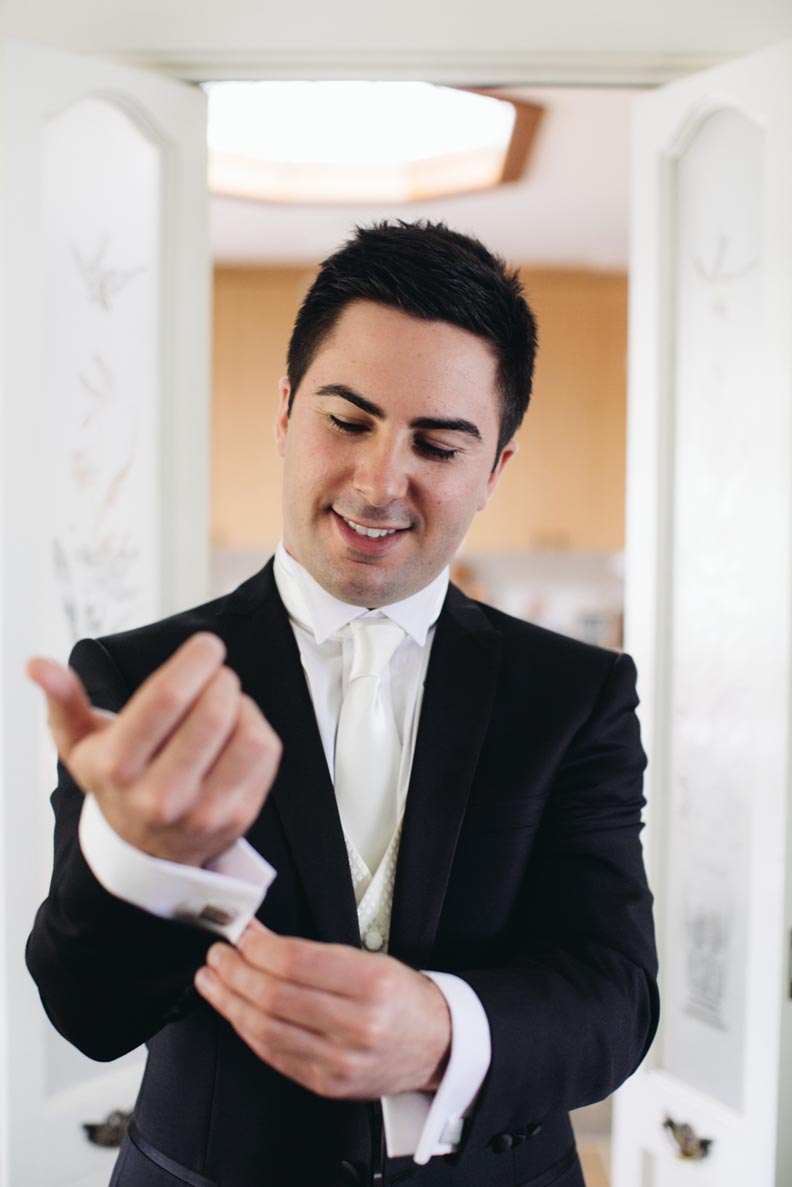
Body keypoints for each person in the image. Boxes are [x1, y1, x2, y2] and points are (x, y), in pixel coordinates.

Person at [26, 220, 658, 1187]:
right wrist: (137, 856)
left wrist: (443, 1029)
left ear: (495, 470)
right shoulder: (137, 678)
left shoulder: (579, 694)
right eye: (348, 421)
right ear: (285, 412)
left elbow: (615, 993)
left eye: (437, 444)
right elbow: (90, 1014)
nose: (379, 482)